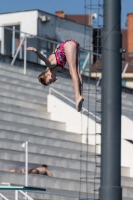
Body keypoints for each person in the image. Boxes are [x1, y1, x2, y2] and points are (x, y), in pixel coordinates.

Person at [26, 39, 84, 112]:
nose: (52, 82)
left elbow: (43, 58)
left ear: (47, 74)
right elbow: (75, 75)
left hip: (67, 45)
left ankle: (77, 97)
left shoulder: (50, 64)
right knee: (77, 73)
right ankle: (80, 95)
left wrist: (36, 51)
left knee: (73, 71)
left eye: (50, 81)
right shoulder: (60, 69)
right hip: (75, 45)